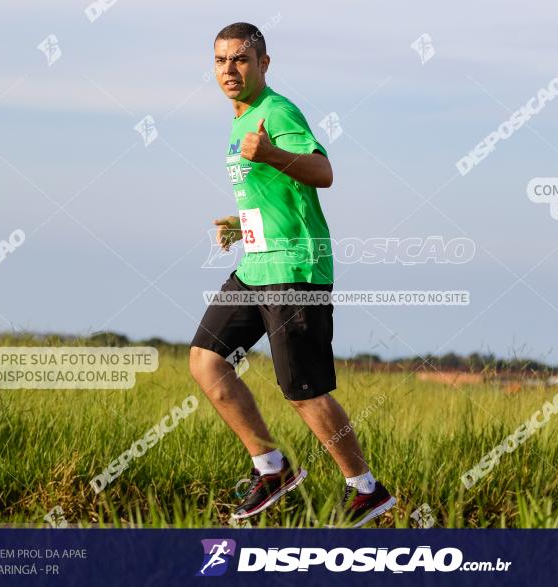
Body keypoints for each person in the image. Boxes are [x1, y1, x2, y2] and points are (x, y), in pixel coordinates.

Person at [188, 22, 395, 528]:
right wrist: (241, 224)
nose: (229, 69)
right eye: (220, 60)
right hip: (256, 265)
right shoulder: (241, 121)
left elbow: (323, 172)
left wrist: (274, 154)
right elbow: (276, 194)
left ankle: (366, 489)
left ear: (263, 63)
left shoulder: (277, 112)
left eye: (240, 59)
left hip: (295, 268)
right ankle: (272, 468)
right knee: (207, 361)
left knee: (303, 390)